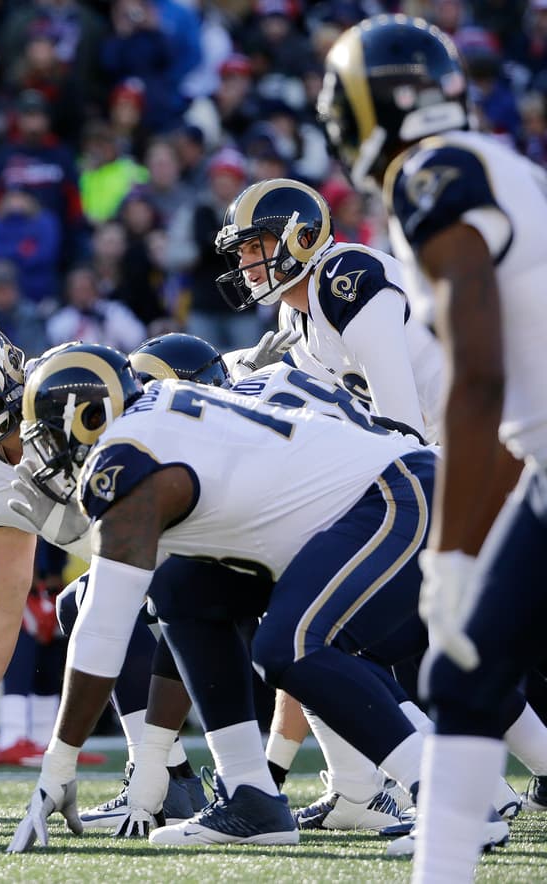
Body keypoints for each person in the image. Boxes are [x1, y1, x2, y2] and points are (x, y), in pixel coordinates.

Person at [5, 343, 461, 852]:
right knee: (183, 589)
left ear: (88, 416)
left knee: (289, 645)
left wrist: (59, 763)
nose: (46, 456)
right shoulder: (156, 413)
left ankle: (452, 800)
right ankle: (251, 794)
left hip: (396, 494)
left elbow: (104, 628)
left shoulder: (127, 459)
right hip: (356, 510)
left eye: (47, 437)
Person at [319, 16, 547, 877]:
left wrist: (450, 555)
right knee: (464, 680)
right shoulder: (505, 167)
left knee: (465, 673)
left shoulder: (433, 176)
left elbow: (482, 376)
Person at [0, 320, 205, 819]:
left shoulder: (66, 387)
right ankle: (168, 780)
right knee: (86, 601)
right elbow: (3, 593)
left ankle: (268, 784)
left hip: (194, 529)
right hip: (132, 557)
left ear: (6, 367)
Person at [214, 177, 445, 441]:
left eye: (255, 247)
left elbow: (403, 428)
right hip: (442, 436)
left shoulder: (346, 278)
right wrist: (251, 374)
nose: (245, 264)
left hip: (479, 419)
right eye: (240, 251)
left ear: (304, 238)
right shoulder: (292, 314)